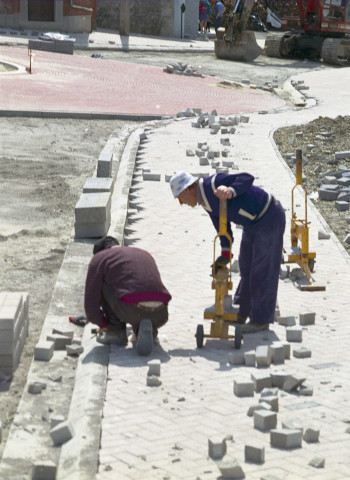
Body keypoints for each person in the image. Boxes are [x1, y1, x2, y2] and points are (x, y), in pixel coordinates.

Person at [169, 172, 285, 334]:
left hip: (269, 216)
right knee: (245, 266)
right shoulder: (206, 202)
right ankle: (241, 311)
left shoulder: (214, 183)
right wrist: (225, 254)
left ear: (189, 189)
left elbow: (247, 178)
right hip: (251, 224)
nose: (181, 203)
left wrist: (231, 190)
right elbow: (222, 228)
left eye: (180, 197)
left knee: (261, 270)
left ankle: (260, 320)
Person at [84, 236, 171, 355]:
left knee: (104, 284)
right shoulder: (143, 253)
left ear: (101, 252)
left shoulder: (99, 258)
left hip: (132, 309)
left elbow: (90, 304)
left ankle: (116, 332)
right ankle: (150, 331)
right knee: (134, 293)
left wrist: (103, 323)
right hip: (161, 312)